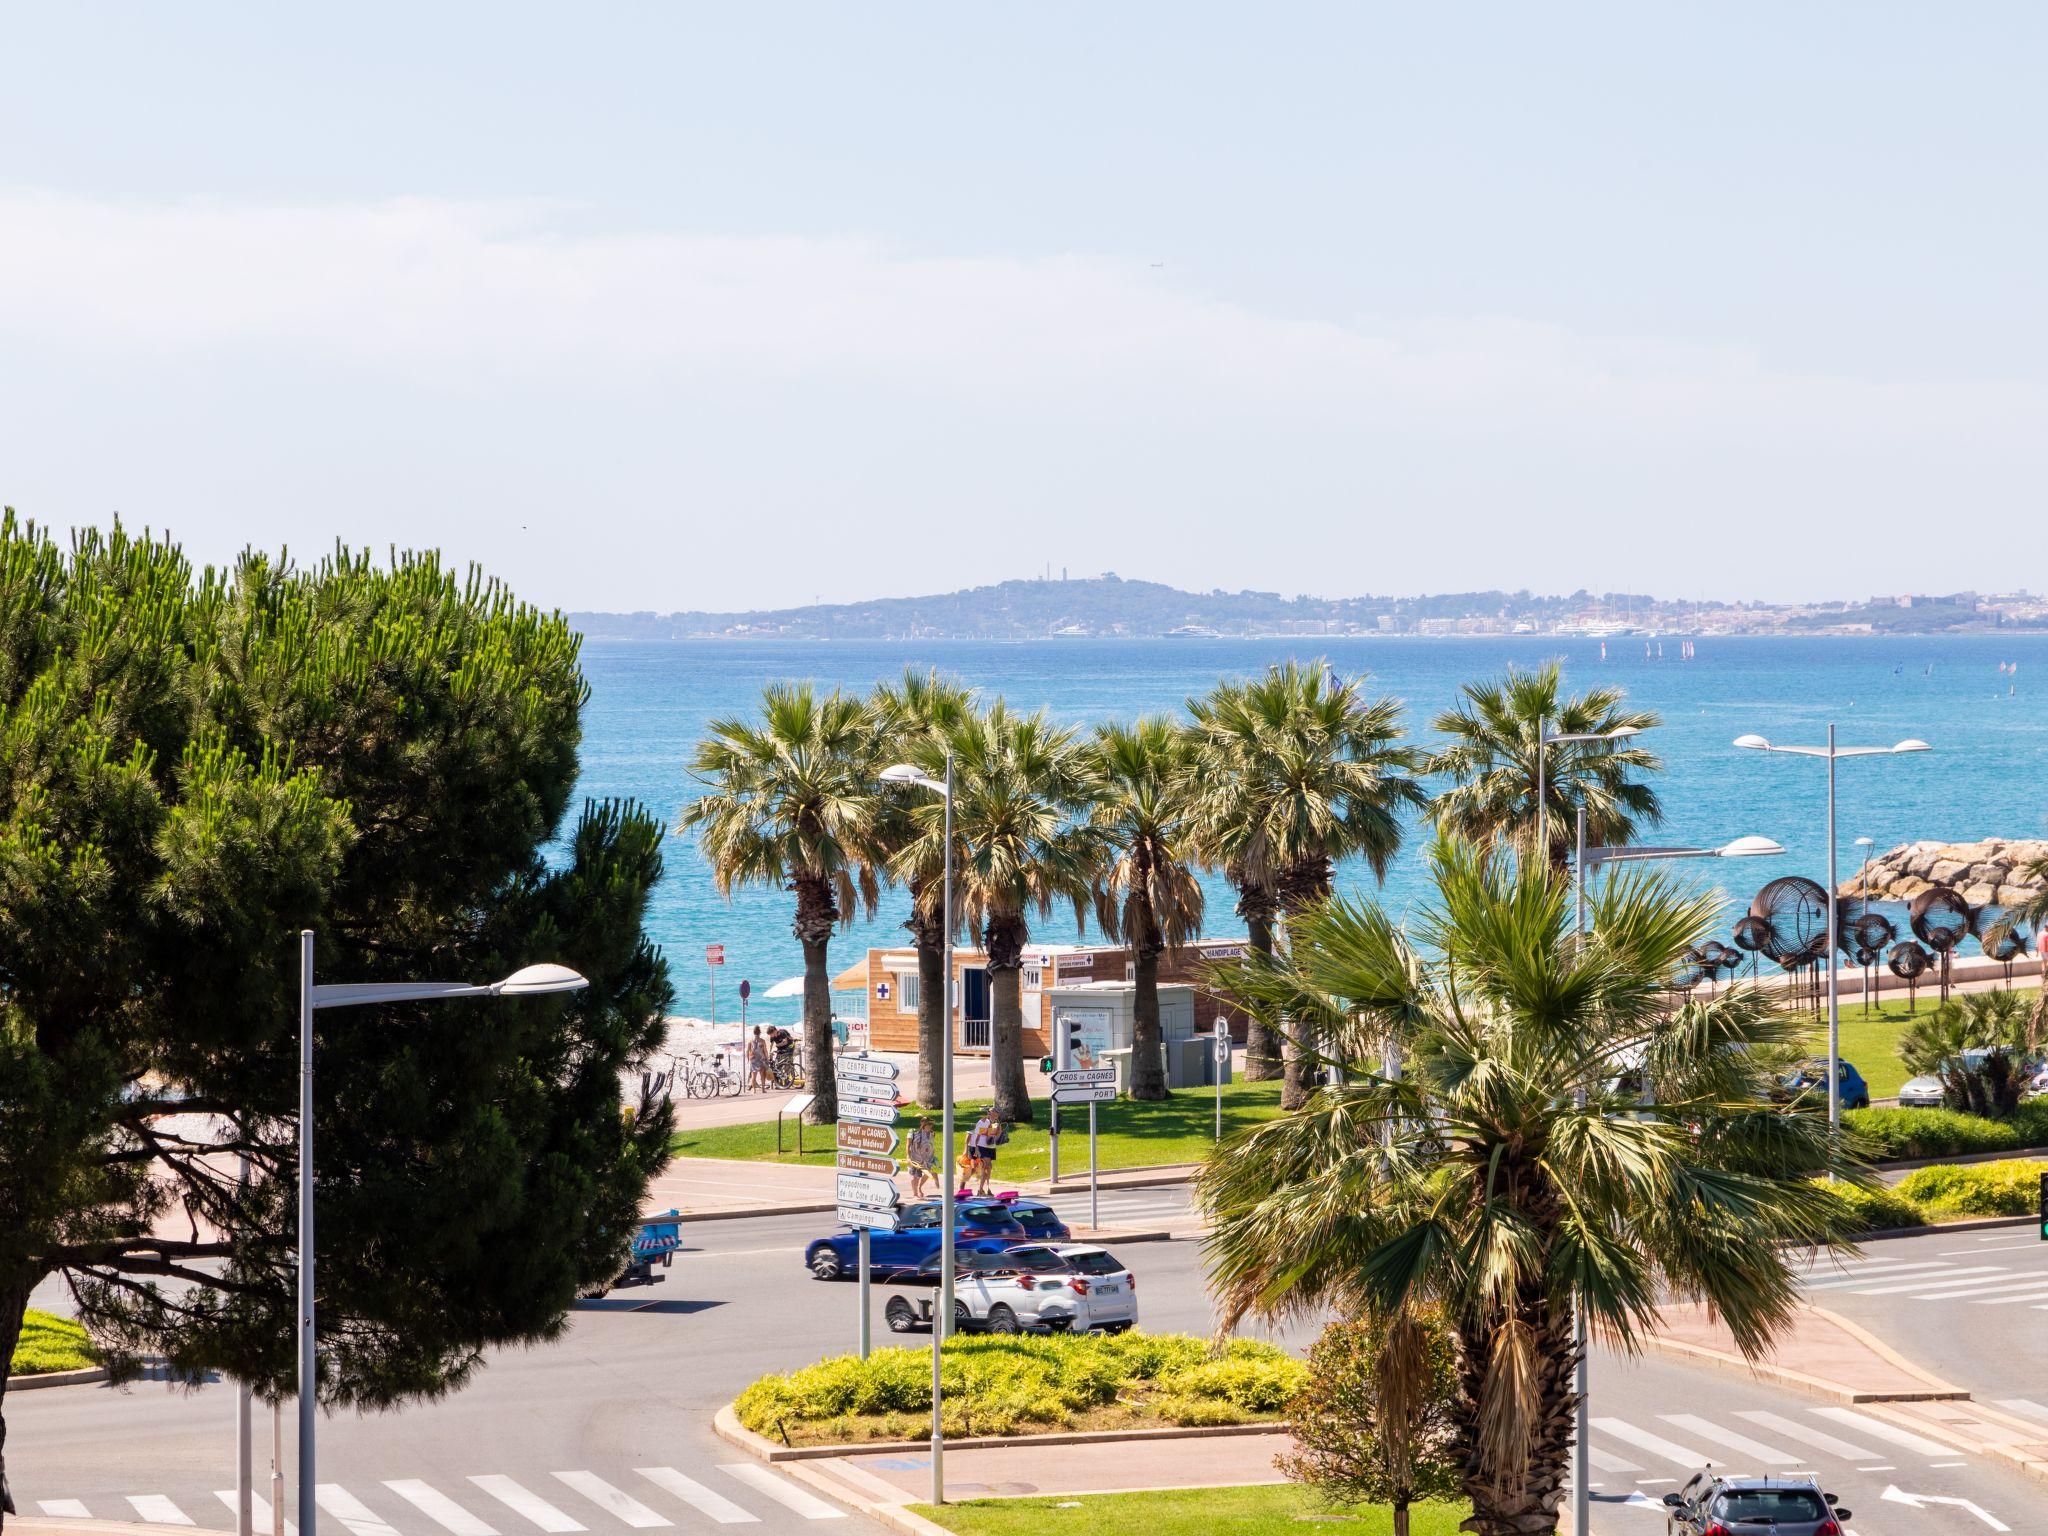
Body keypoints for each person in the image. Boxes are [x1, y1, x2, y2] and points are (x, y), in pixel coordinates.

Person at [906, 1117, 936, 1199]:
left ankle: (919, 1187)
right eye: (928, 1124)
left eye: (931, 1124)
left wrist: (933, 1157)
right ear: (923, 1124)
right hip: (915, 1157)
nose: (930, 1126)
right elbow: (908, 1145)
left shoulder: (932, 1133)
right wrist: (908, 1156)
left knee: (928, 1173)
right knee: (914, 1176)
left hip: (927, 1158)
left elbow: (931, 1145)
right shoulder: (913, 1133)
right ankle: (915, 1193)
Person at [746, 1026, 769, 1093]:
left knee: (753, 1076)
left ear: (754, 1032)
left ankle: (754, 1090)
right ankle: (763, 1090)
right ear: (760, 1033)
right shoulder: (762, 1041)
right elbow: (765, 1051)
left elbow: (747, 1051)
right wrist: (767, 1058)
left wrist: (748, 1059)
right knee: (762, 1075)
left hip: (753, 1059)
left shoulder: (750, 1041)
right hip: (761, 1059)